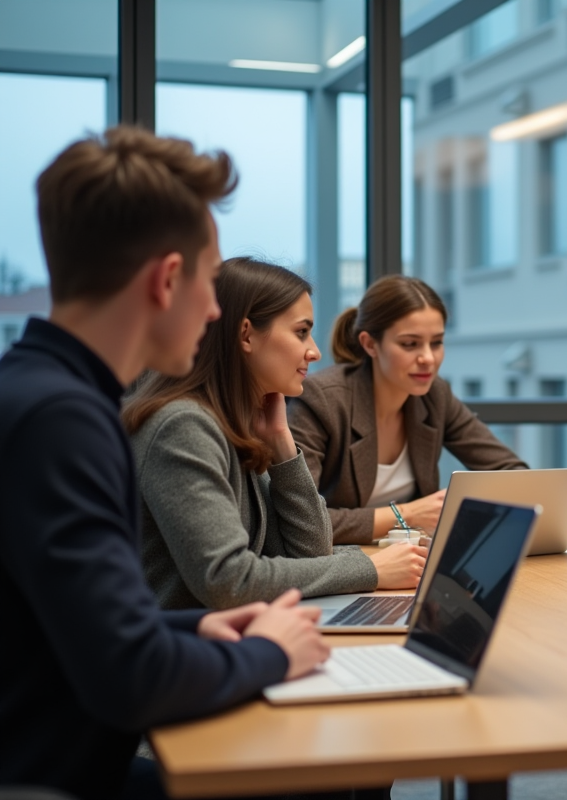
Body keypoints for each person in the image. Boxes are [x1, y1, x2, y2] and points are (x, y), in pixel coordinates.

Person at [0, 126, 328, 798]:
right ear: (168, 279)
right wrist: (270, 652)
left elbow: (82, 622)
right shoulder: (63, 421)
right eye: (210, 283)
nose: (213, 309)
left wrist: (196, 624)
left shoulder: (46, 393)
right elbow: (129, 680)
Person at [123, 258, 426, 610]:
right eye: (301, 332)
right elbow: (228, 580)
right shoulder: (183, 427)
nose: (314, 351)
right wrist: (369, 568)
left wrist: (282, 443)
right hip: (188, 652)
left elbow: (310, 551)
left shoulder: (239, 426)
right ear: (246, 334)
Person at [288, 275, 528, 545]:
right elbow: (302, 523)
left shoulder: (435, 396)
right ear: (370, 344)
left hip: (411, 562)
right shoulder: (323, 400)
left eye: (436, 342)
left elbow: (510, 472)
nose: (428, 358)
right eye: (410, 344)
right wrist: (409, 513)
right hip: (346, 567)